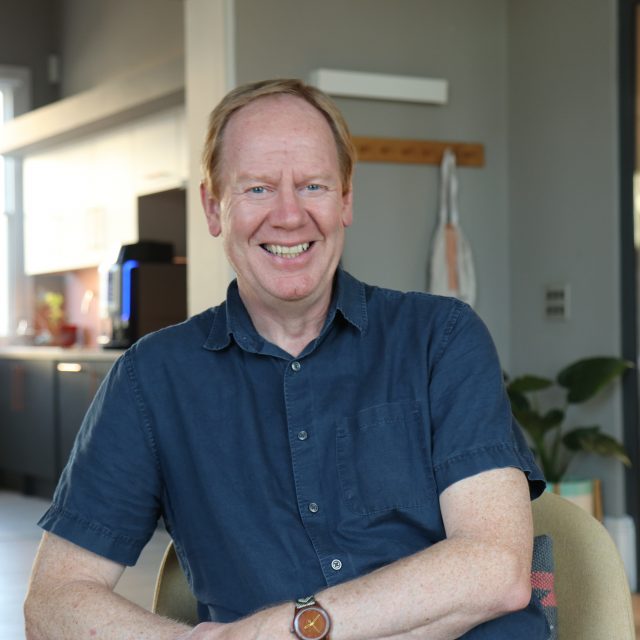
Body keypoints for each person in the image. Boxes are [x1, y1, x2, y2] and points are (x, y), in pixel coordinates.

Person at [24, 78, 548, 640]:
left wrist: (292, 628)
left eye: (314, 185)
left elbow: (497, 568)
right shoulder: (151, 380)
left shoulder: (442, 338)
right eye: (257, 189)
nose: (290, 216)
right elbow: (53, 602)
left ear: (345, 200)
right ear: (213, 207)